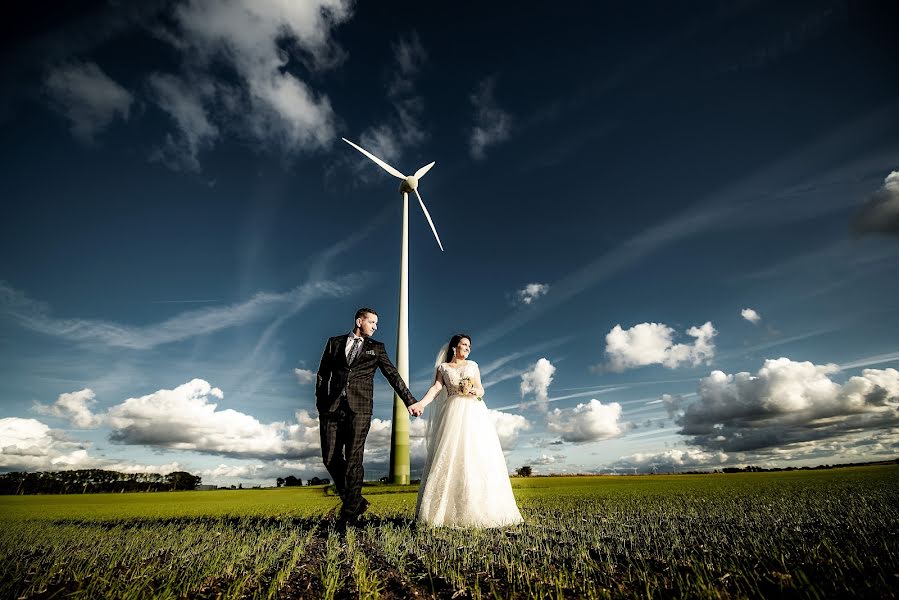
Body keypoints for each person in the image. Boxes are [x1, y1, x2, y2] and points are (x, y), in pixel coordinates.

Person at [315, 307, 420, 525]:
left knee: (354, 459)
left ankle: (349, 515)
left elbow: (393, 375)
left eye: (376, 324)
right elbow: (323, 374)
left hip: (360, 409)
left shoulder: (377, 348)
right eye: (372, 322)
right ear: (359, 321)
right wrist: (321, 404)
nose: (375, 327)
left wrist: (410, 401)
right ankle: (357, 501)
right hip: (332, 408)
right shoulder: (334, 342)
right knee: (330, 458)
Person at [407, 333, 523, 527]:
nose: (468, 348)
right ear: (454, 347)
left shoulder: (473, 365)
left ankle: (482, 510)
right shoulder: (443, 368)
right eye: (464, 345)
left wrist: (475, 391)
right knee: (450, 455)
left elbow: (481, 388)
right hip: (452, 412)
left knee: (476, 456)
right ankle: (444, 514)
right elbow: (436, 388)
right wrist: (421, 404)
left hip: (473, 412)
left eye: (469, 346)